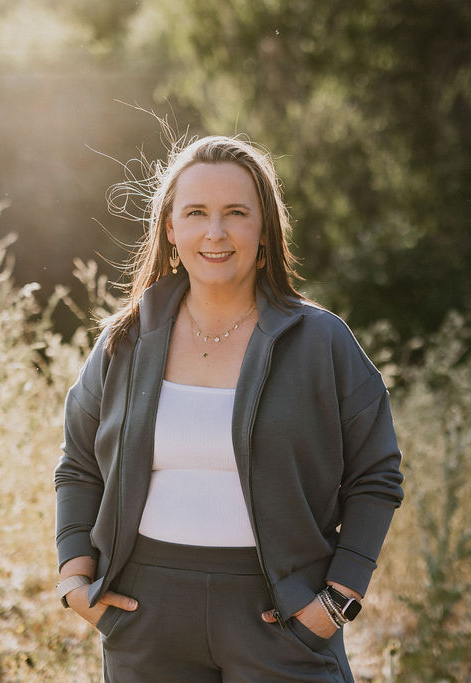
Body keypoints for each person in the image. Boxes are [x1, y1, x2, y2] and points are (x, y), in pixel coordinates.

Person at [53, 135, 404, 682]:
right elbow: (77, 463)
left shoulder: (321, 341)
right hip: (146, 617)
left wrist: (337, 601)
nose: (215, 233)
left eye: (235, 213)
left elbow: (376, 474)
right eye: (196, 213)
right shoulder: (125, 341)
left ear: (263, 229)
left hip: (282, 616)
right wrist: (75, 579)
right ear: (171, 229)